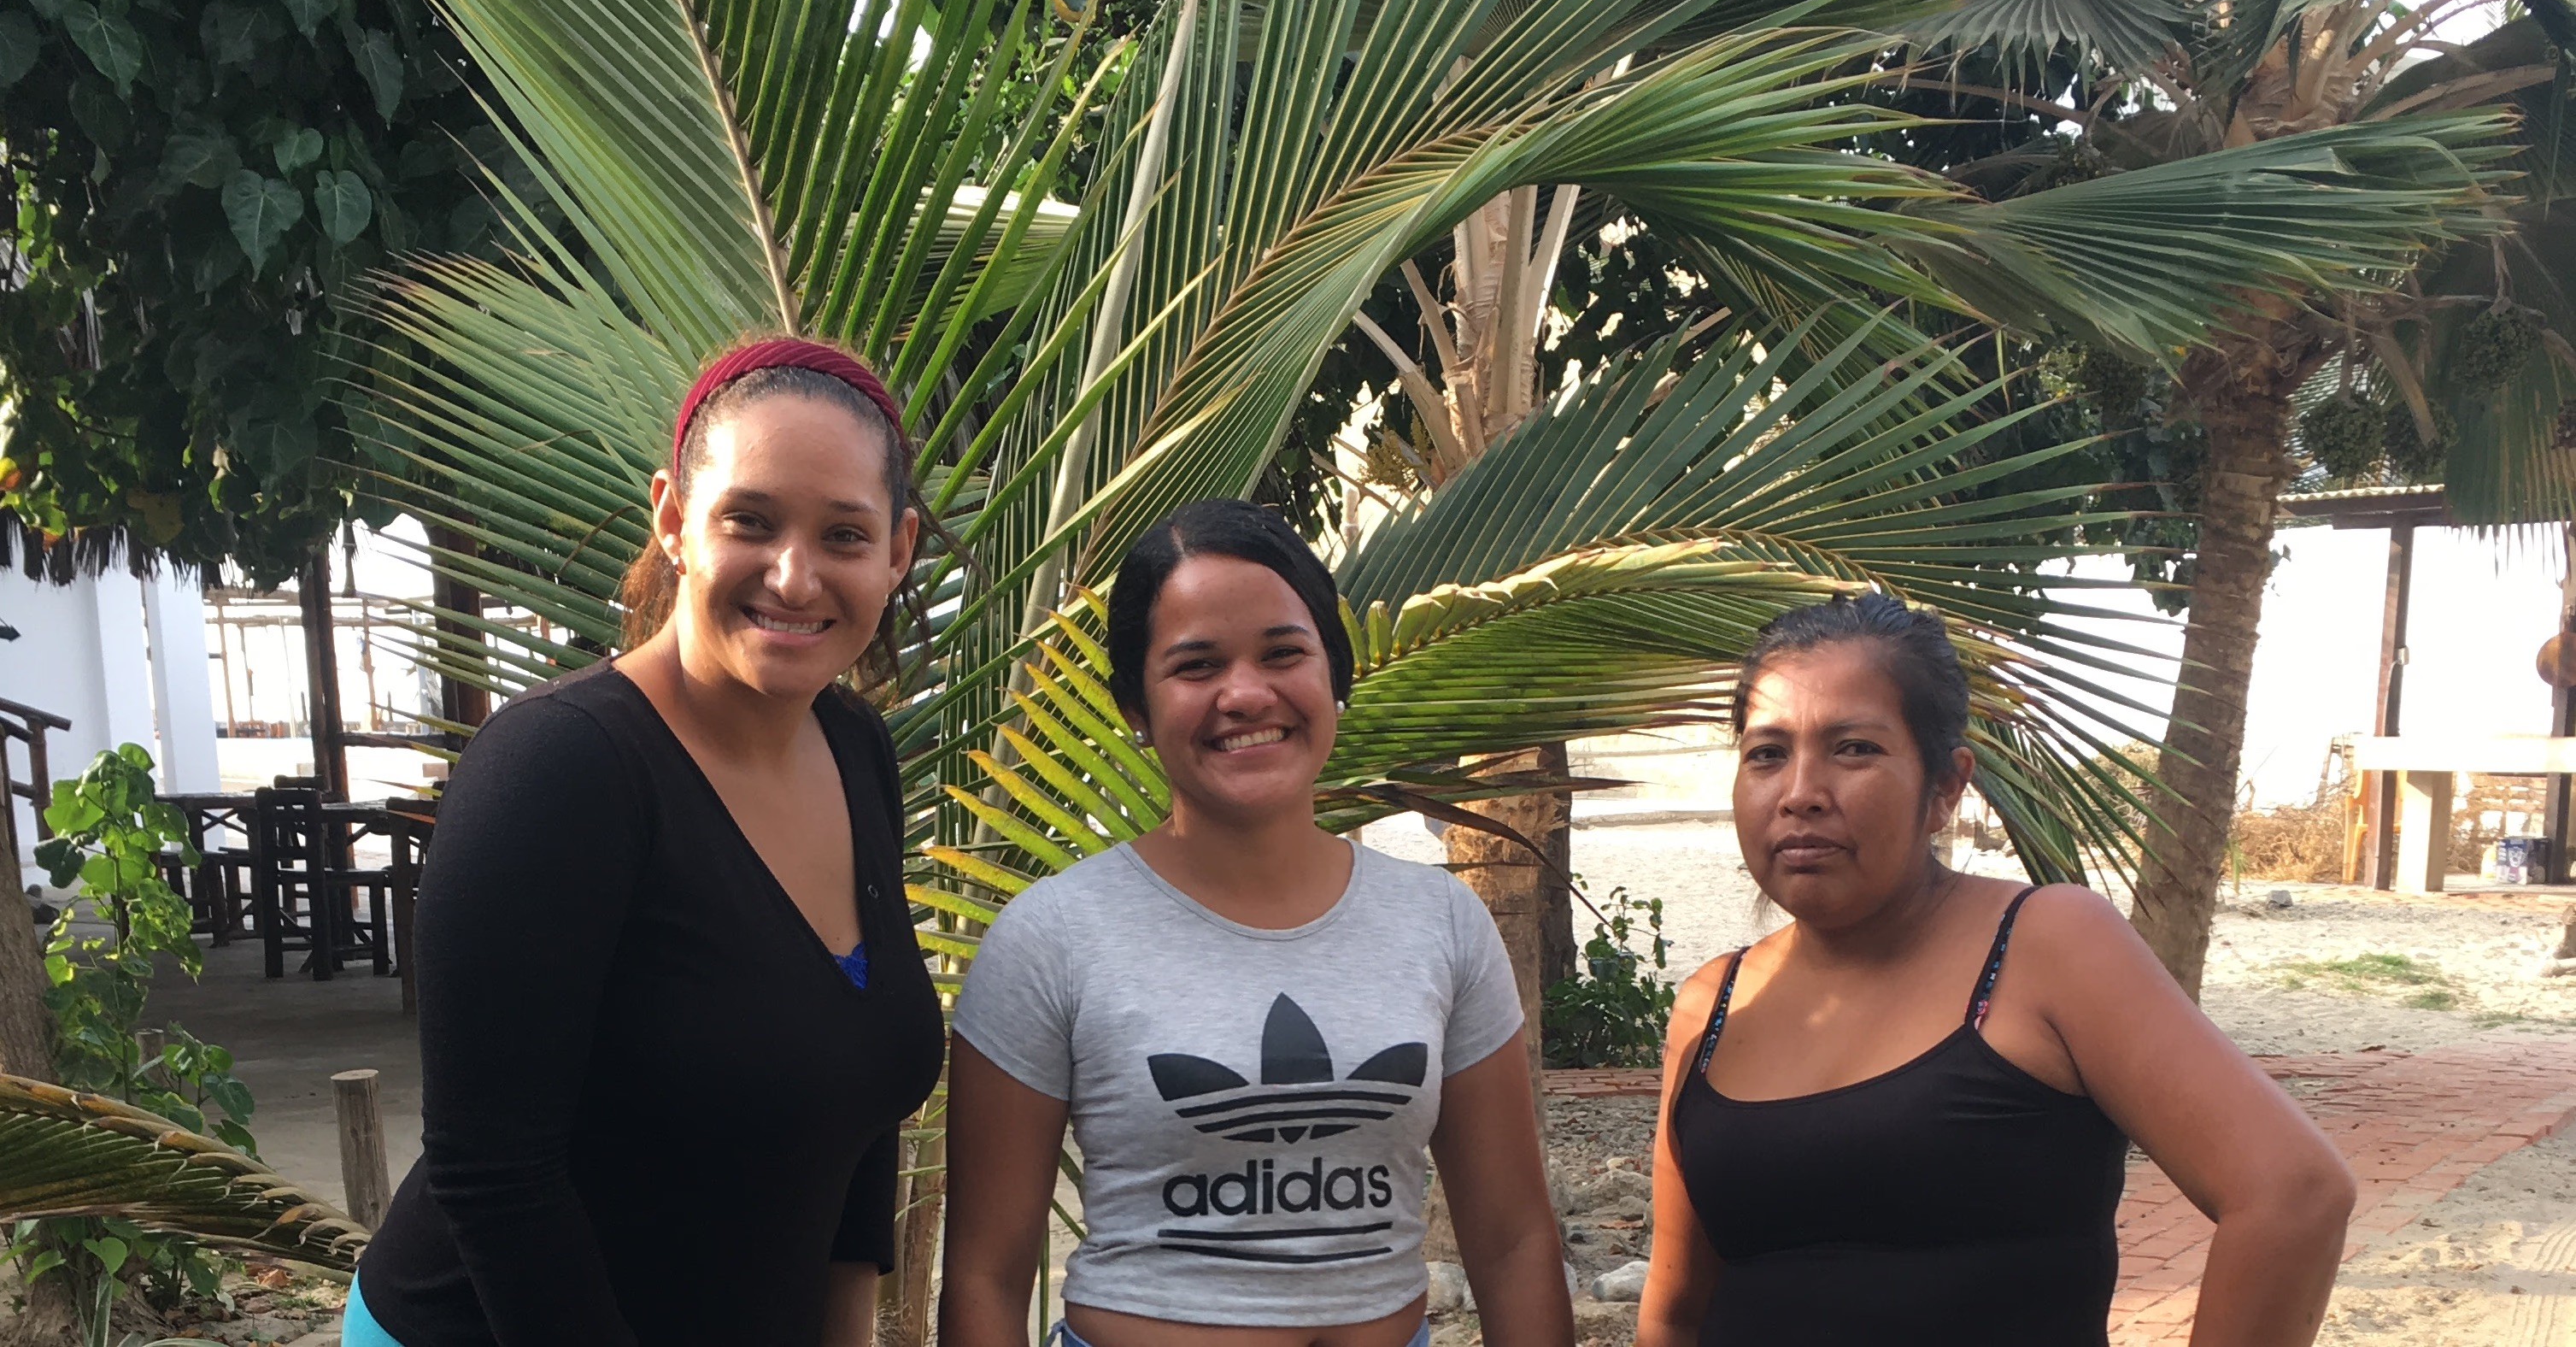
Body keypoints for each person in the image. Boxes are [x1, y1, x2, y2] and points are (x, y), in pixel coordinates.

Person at [348, 339, 949, 1347]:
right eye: (749, 521)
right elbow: (493, 1177)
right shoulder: (561, 769)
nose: (794, 577)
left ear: (897, 549)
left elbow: (855, 1103)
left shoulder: (857, 751)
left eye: (844, 533)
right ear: (673, 519)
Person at [1635, 592, 2356, 1347]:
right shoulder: (1712, 1004)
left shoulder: (2045, 946)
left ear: (1945, 786)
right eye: (1766, 753)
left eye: (1854, 748)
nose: (1799, 794)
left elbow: (2292, 1196)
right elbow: (1677, 1310)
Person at [939, 498, 1573, 1347]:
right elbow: (985, 1272)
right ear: (1135, 703)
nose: (1245, 693)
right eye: (1196, 665)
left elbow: (1513, 1242)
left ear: (1334, 675)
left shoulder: (1442, 923)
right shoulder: (1052, 937)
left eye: (1283, 653)